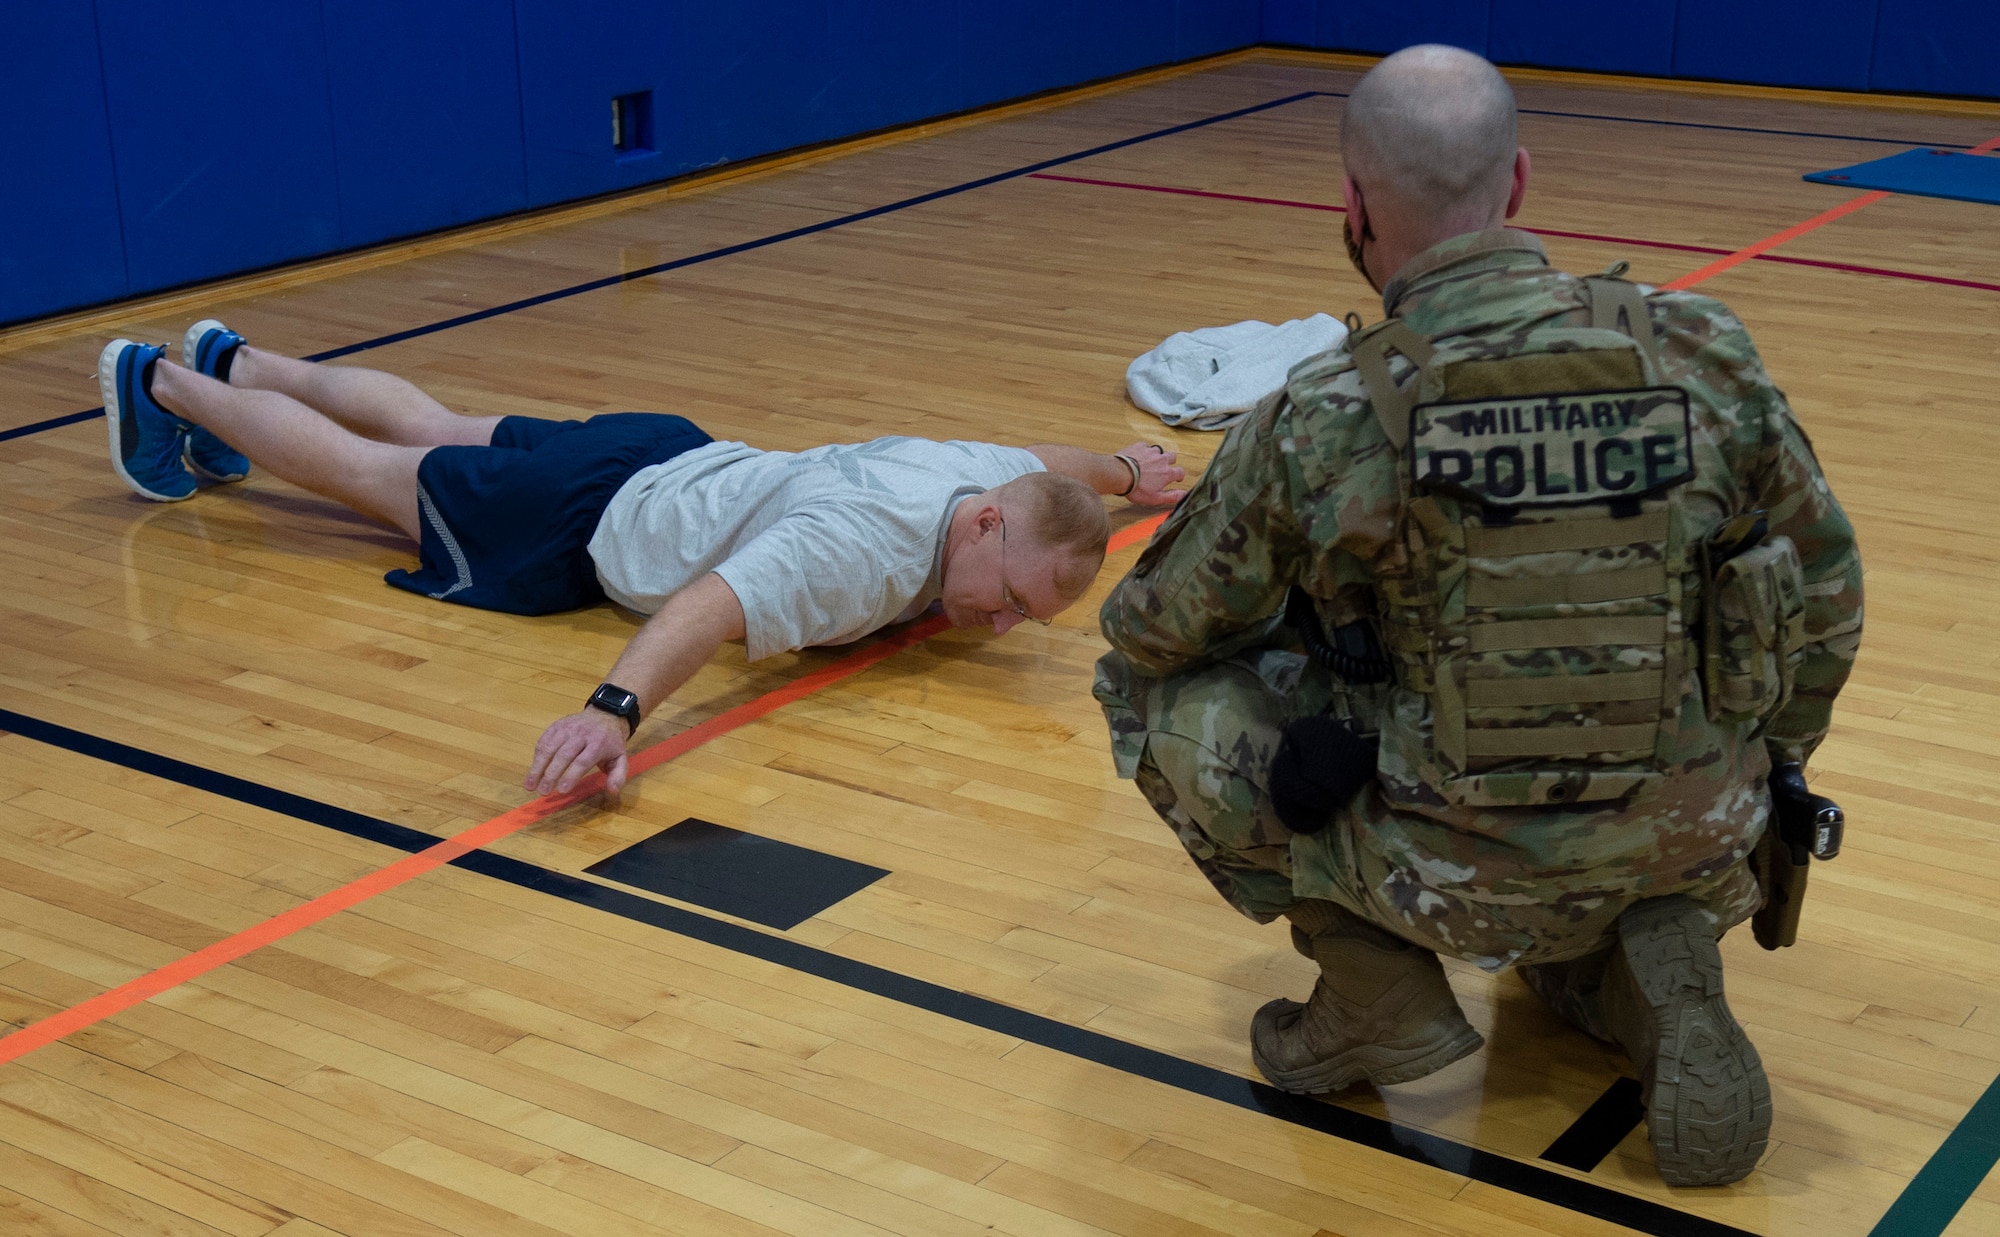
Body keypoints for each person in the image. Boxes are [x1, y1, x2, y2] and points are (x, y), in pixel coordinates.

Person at [1094, 45, 1861, 1187]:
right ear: (1516, 183)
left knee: (1144, 693)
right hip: (1695, 838)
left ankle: (1378, 991)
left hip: (1438, 868)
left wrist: (1314, 650)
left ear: (1351, 208)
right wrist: (1764, 767)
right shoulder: (1701, 352)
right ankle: (1634, 953)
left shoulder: (1323, 411)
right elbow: (1828, 600)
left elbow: (1153, 628)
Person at [97, 323, 1186, 797]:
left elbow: (1052, 466)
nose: (994, 629)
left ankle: (237, 358)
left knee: (437, 421)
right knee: (369, 471)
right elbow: (711, 605)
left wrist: (1122, 472)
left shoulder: (984, 477)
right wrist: (612, 711)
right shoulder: (857, 550)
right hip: (586, 525)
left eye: (1018, 624)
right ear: (984, 530)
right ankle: (164, 386)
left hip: (669, 450)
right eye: (1002, 606)